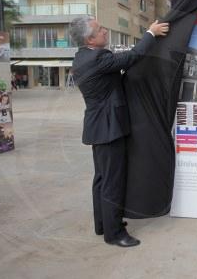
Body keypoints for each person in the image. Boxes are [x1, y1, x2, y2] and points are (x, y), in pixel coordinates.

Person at [70, 16, 169, 248]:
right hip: (109, 128)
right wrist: (151, 33)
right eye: (100, 29)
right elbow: (132, 57)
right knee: (112, 181)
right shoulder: (98, 57)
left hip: (98, 127)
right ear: (90, 39)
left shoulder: (81, 57)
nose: (105, 30)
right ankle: (114, 233)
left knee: (101, 179)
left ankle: (102, 224)